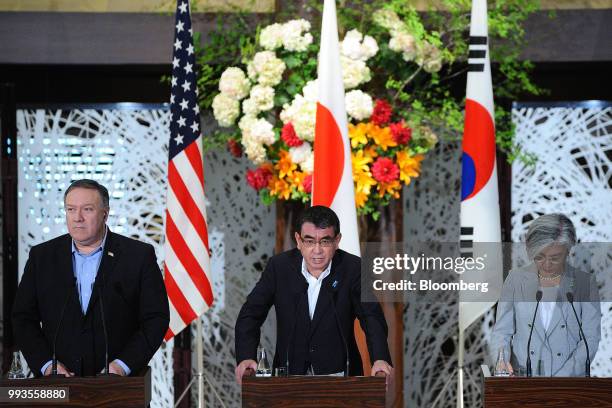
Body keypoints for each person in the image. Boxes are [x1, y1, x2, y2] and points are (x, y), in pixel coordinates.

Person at [12, 179, 169, 377]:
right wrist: (46, 365)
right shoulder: (42, 257)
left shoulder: (137, 256)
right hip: (57, 387)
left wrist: (121, 366)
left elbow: (155, 319)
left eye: (87, 209)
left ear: (105, 213)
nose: (77, 218)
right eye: (71, 209)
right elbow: (23, 319)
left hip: (120, 387)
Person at [234, 205, 392, 384]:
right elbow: (251, 313)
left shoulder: (353, 268)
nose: (317, 250)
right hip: (289, 376)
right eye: (309, 241)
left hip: (340, 377)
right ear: (298, 240)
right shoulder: (279, 267)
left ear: (337, 240)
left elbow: (371, 317)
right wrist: (246, 356)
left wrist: (380, 358)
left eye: (325, 241)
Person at [490, 213, 600, 376]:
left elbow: (590, 338)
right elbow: (502, 333)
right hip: (524, 383)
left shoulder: (585, 284)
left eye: (555, 258)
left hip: (570, 385)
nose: (547, 264)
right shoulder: (515, 280)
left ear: (568, 251)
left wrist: (562, 378)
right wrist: (502, 362)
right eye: (539, 257)